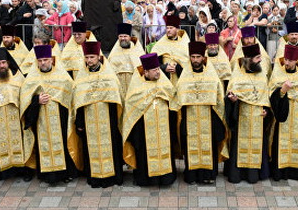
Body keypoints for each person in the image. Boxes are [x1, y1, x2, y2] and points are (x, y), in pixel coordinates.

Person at [20, 45, 79, 185]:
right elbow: (25, 102)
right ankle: (47, 175)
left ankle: (65, 173)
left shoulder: (63, 77)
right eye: (40, 60)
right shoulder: (31, 79)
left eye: (46, 60)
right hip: (41, 120)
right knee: (44, 145)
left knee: (63, 143)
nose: (43, 63)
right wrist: (36, 101)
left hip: (61, 119)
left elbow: (72, 97)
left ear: (52, 60)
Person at [71, 41, 124, 187]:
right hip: (89, 121)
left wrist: (115, 122)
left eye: (92, 57)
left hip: (108, 120)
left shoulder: (109, 76)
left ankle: (113, 177)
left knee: (111, 147)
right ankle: (95, 178)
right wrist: (80, 123)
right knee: (91, 148)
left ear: (99, 57)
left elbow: (116, 99)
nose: (89, 61)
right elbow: (78, 102)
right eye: (87, 57)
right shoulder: (81, 78)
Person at [175, 41, 227, 184]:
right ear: (190, 58)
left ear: (203, 58)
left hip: (208, 119)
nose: (196, 60)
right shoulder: (184, 76)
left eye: (198, 57)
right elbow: (178, 97)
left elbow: (219, 98)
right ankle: (191, 175)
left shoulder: (211, 75)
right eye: (193, 57)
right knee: (189, 145)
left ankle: (208, 175)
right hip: (189, 117)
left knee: (208, 145)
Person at [122, 53, 177, 186]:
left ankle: (166, 179)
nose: (158, 72)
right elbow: (131, 108)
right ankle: (145, 180)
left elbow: (173, 101)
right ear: (146, 72)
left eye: (158, 69)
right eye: (154, 70)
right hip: (144, 132)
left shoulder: (165, 84)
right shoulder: (136, 88)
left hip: (163, 128)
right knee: (144, 154)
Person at [224, 43, 271, 184]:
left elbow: (266, 96)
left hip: (258, 119)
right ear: (249, 59)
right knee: (239, 146)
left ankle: (255, 173)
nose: (260, 60)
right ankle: (237, 174)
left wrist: (267, 110)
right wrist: (233, 101)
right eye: (257, 58)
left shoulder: (262, 74)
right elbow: (230, 96)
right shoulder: (238, 76)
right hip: (241, 119)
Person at [0, 47, 32, 181]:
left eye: (4, 62)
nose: (2, 66)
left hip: (17, 118)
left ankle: (23, 169)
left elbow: (26, 96)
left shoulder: (18, 76)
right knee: (0, 141)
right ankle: (4, 170)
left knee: (21, 141)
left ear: (8, 62)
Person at [268, 45, 298, 181]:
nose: (287, 63)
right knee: (279, 142)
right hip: (281, 116)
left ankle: (294, 171)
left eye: (290, 61)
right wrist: (282, 91)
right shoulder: (277, 73)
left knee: (297, 141)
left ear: (296, 61)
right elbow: (271, 94)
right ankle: (279, 172)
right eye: (285, 59)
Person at [107, 23, 145, 98]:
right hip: (119, 88)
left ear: (130, 37)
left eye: (125, 36)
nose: (123, 38)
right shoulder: (114, 53)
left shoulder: (137, 51)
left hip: (134, 86)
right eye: (121, 36)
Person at [151, 13, 190, 86]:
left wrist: (178, 68)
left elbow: (189, 62)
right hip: (165, 79)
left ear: (177, 29)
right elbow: (153, 62)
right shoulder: (161, 43)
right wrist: (164, 67)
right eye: (167, 28)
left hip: (181, 79)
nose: (168, 30)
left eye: (171, 28)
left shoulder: (184, 42)